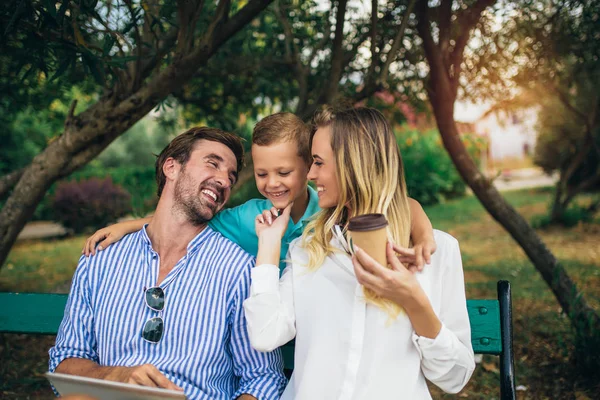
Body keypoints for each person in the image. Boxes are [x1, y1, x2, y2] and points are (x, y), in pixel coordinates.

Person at [244, 107, 475, 399]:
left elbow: (455, 377)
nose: (311, 174)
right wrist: (268, 245)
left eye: (318, 162)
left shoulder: (435, 253)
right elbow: (265, 335)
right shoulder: (307, 249)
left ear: (353, 164)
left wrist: (413, 301)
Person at [49, 127, 286, 400]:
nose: (224, 181)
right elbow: (66, 361)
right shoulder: (100, 259)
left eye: (231, 177)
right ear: (171, 167)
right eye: (213, 163)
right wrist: (117, 376)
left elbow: (263, 378)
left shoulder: (237, 268)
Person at [83, 113, 437, 272]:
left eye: (284, 172)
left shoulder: (328, 209)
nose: (272, 184)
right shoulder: (246, 217)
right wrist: (133, 225)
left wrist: (422, 234)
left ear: (308, 165)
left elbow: (401, 203)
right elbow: (189, 223)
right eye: (262, 173)